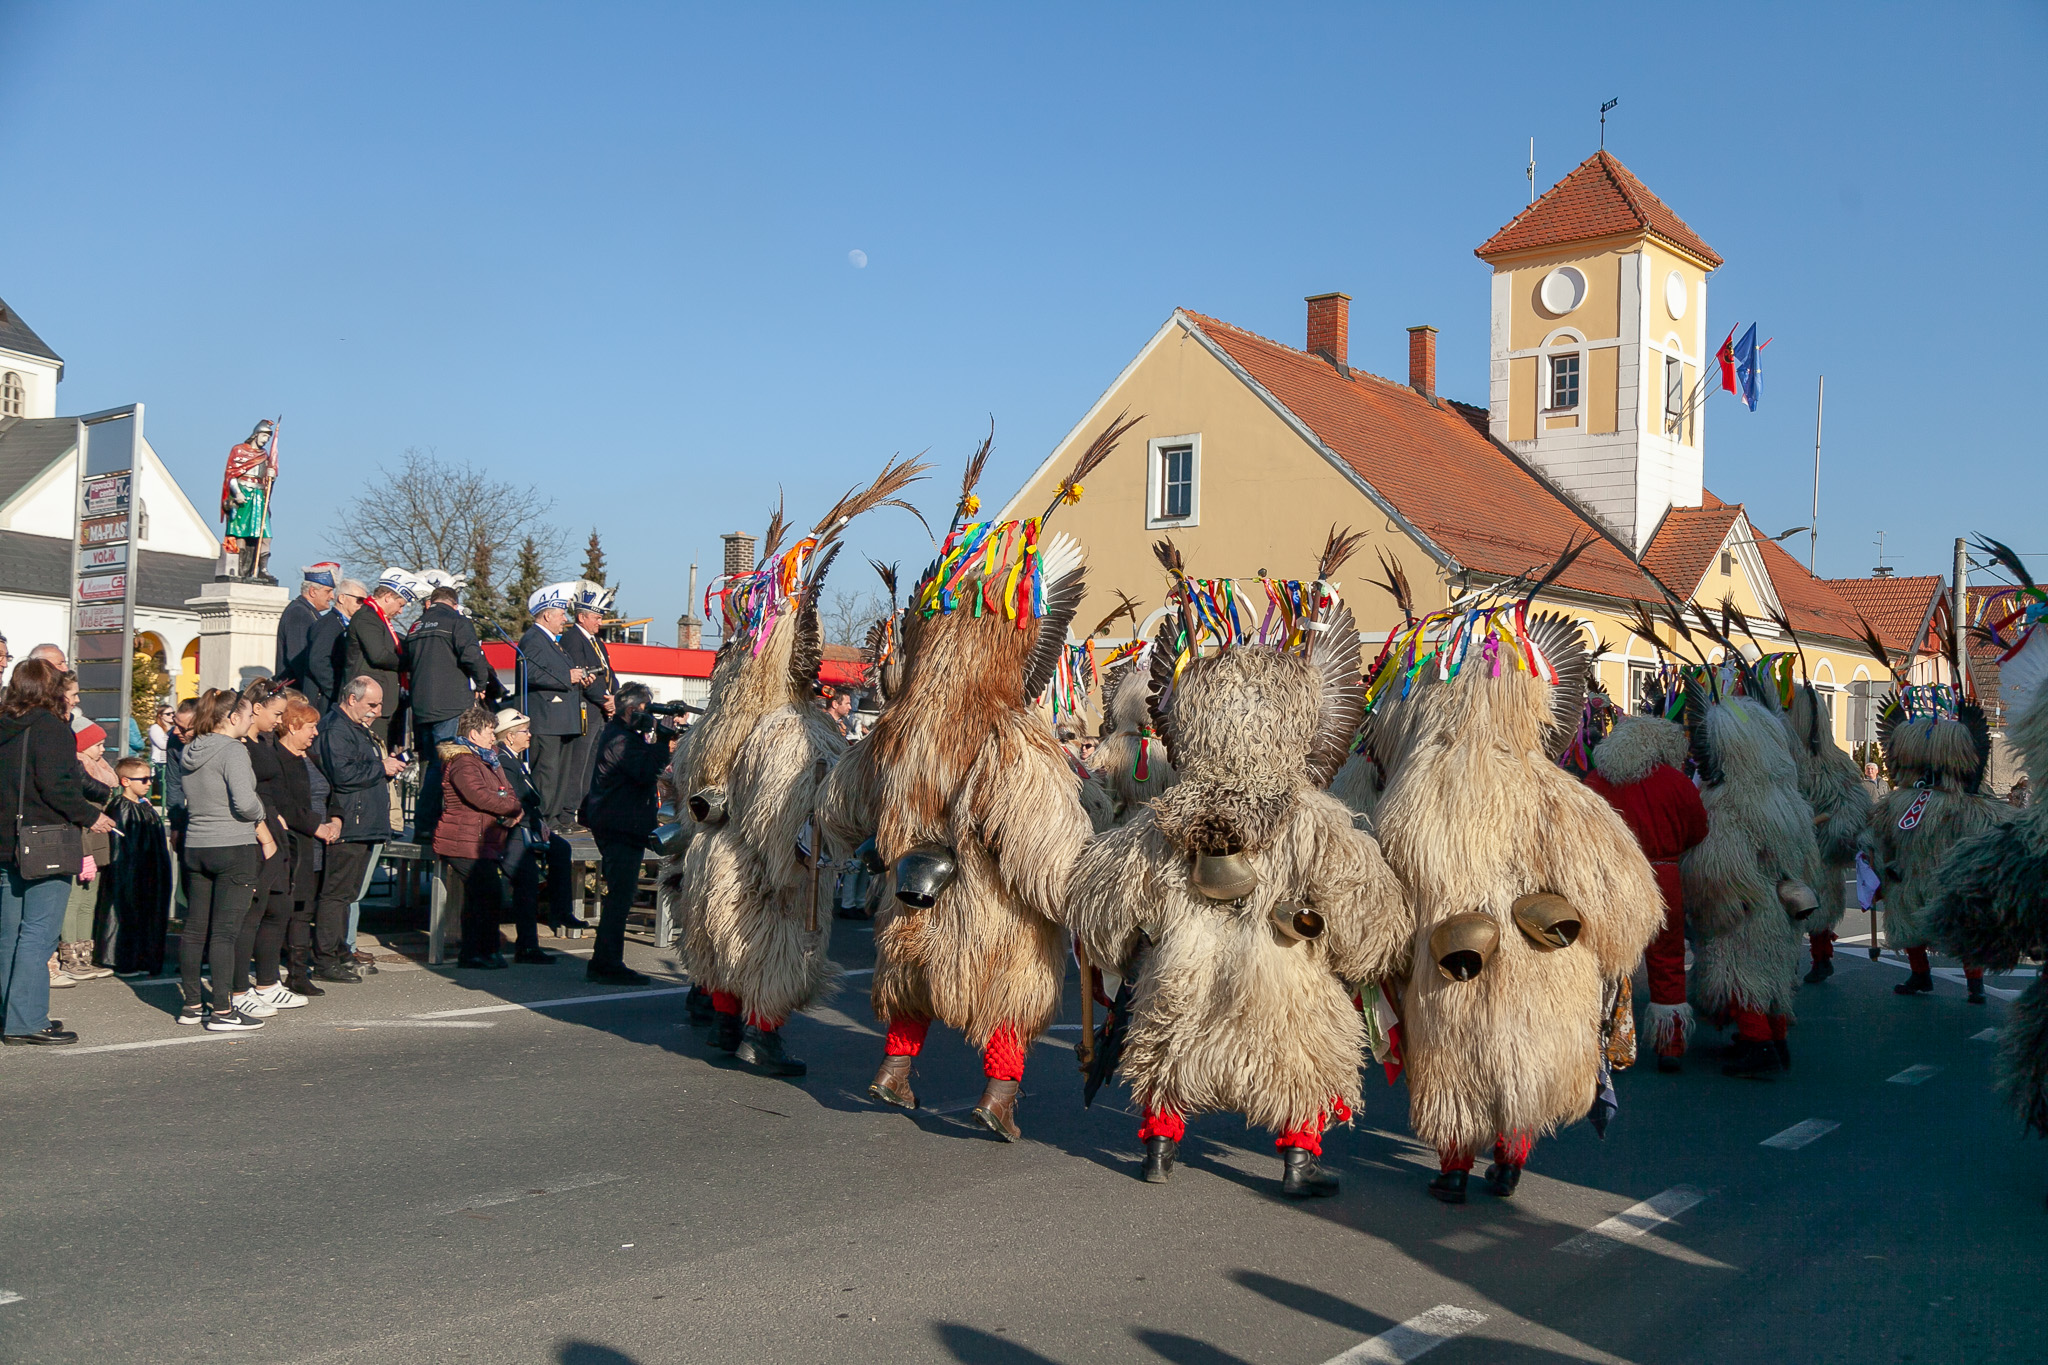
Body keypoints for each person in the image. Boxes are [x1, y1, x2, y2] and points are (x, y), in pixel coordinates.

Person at [1065, 547, 1408, 1194]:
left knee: (1168, 1041)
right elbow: (1364, 904)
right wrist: (1362, 944)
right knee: (1305, 1044)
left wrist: (1122, 939)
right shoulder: (1310, 816)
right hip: (1279, 961)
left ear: (1195, 716)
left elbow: (1103, 895)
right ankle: (1298, 1161)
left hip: (1184, 960)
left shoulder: (1166, 813)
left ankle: (1160, 1147)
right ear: (1292, 717)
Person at [1584, 702, 1709, 1072]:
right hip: (1663, 876)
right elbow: (1698, 831)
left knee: (1605, 962)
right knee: (1668, 960)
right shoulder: (1676, 782)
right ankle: (1670, 1045)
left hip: (1614, 878)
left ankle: (1603, 1040)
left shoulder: (1598, 780)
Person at [0, 659, 118, 1045]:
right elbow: (58, 787)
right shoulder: (51, 728)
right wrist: (91, 817)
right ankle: (26, 1020)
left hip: (6, 842)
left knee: (10, 934)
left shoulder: (5, 724)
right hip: (45, 840)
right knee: (38, 934)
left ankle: (10, 1013)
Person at [176, 688, 275, 1031]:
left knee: (194, 929)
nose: (250, 722)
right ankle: (222, 1009)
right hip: (233, 845)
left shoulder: (190, 749)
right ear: (232, 718)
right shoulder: (233, 750)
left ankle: (191, 1004)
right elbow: (246, 803)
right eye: (248, 716)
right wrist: (263, 814)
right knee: (225, 933)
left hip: (196, 843)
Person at [311, 676, 404, 984]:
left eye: (378, 705)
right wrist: (382, 767)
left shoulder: (354, 728)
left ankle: (339, 952)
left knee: (347, 894)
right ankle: (327, 959)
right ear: (352, 699)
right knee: (336, 894)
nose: (377, 711)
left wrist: (383, 767)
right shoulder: (336, 728)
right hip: (349, 824)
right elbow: (342, 774)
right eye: (372, 704)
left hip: (361, 823)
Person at [581, 683, 670, 986]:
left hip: (622, 824)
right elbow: (645, 771)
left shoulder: (623, 735)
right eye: (647, 708)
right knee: (619, 898)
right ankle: (606, 963)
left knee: (621, 895)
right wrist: (664, 739)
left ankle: (605, 961)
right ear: (632, 710)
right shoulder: (620, 738)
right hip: (618, 826)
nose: (650, 715)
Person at [231, 681, 305, 1016]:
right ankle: (238, 988)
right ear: (255, 708)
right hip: (255, 830)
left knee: (279, 907)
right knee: (252, 912)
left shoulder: (264, 740)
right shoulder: (239, 743)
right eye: (275, 713)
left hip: (274, 825)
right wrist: (264, 829)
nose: (279, 720)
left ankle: (268, 982)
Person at [405, 582, 497, 843]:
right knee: (446, 766)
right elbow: (472, 656)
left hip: (421, 708)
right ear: (455, 604)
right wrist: (481, 684)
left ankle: (424, 825)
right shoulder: (457, 622)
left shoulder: (416, 625)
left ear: (430, 602)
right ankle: (434, 827)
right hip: (450, 706)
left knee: (427, 766)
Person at [435, 704, 524, 969]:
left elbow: (507, 791)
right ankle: (475, 952)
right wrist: (511, 806)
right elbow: (478, 796)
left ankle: (485, 950)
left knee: (486, 895)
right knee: (484, 892)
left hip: (482, 840)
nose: (492, 735)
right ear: (473, 733)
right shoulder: (463, 760)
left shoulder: (489, 759)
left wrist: (512, 806)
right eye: (489, 730)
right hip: (462, 839)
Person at [519, 583, 595, 833]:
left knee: (560, 774)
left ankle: (554, 820)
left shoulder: (552, 642)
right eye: (561, 613)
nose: (565, 618)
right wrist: (568, 675)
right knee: (547, 774)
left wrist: (579, 676)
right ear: (547, 614)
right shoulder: (533, 639)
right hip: (547, 720)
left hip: (561, 720)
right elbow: (531, 672)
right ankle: (542, 821)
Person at [494, 709, 562, 959]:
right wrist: (535, 821)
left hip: (527, 825)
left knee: (560, 850)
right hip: (513, 831)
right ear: (510, 737)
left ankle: (561, 909)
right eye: (525, 731)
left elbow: (531, 798)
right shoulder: (504, 760)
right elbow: (518, 798)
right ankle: (528, 945)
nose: (530, 735)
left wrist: (540, 821)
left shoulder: (515, 760)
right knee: (526, 882)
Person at [97, 755, 172, 977]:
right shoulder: (122, 807)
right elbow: (122, 846)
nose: (149, 783)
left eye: (151, 779)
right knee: (130, 912)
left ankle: (145, 958)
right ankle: (125, 958)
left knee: (149, 913)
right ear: (125, 781)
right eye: (144, 779)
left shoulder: (144, 806)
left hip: (150, 871)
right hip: (133, 872)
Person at [56, 721, 118, 985]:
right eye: (98, 745)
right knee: (73, 899)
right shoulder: (78, 769)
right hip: (81, 837)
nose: (102, 750)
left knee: (88, 899)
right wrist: (83, 851)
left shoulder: (100, 770)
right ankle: (70, 955)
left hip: (97, 838)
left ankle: (84, 955)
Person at [341, 570, 420, 747]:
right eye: (400, 604)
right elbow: (379, 656)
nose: (400, 611)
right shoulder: (367, 618)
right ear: (387, 597)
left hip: (385, 701)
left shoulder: (378, 619)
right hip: (369, 701)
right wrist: (411, 662)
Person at [562, 583, 617, 830]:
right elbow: (585, 676)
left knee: (593, 764)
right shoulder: (572, 639)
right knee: (579, 764)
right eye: (596, 617)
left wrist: (616, 696)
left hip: (601, 711)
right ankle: (568, 812)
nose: (600, 622)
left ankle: (586, 811)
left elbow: (608, 673)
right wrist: (606, 700)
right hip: (586, 709)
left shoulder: (597, 642)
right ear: (582, 617)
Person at [218, 419, 278, 581]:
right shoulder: (238, 450)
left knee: (265, 533)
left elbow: (267, 478)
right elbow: (231, 474)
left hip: (259, 496)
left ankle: (262, 568)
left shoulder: (265, 456)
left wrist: (271, 475)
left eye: (268, 437)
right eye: (264, 435)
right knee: (241, 532)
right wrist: (237, 492)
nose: (266, 439)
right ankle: (240, 569)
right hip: (243, 493)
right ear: (256, 434)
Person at [275, 563, 340, 688]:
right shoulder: (299, 613)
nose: (332, 597)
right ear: (312, 591)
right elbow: (299, 658)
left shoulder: (306, 612)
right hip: (296, 693)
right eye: (328, 591)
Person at [306, 579, 363, 714]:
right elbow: (318, 660)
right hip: (323, 700)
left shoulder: (345, 625)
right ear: (342, 598)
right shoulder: (329, 624)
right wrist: (336, 689)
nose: (362, 605)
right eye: (359, 600)